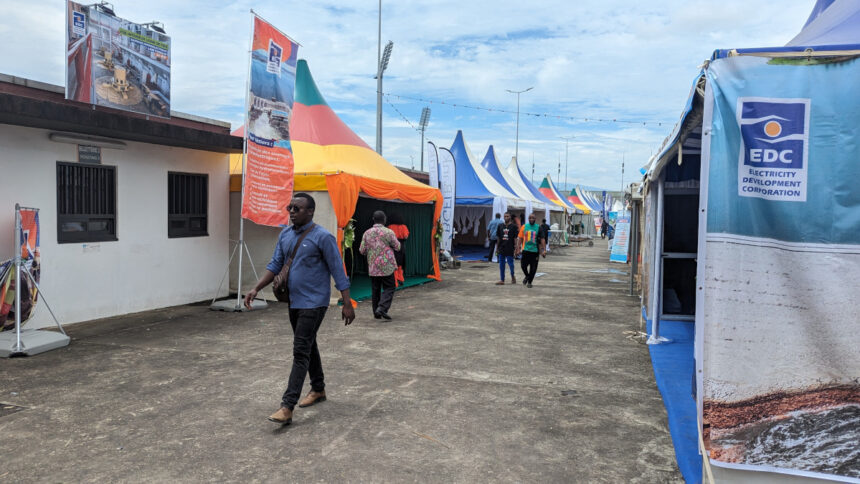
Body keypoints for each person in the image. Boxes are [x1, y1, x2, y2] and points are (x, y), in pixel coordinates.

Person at [244, 193, 355, 426]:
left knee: (300, 350)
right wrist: (255, 288)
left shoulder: (322, 237)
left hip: (315, 302)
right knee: (308, 343)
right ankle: (319, 388)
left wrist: (346, 302)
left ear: (310, 212)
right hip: (293, 301)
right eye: (290, 207)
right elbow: (275, 265)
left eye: (297, 208)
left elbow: (337, 269)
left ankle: (287, 406)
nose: (292, 211)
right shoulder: (285, 234)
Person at [359, 210, 401, 321]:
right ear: (384, 220)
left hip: (373, 266)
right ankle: (382, 308)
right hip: (387, 265)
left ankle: (376, 312)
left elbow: (362, 250)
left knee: (375, 289)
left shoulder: (367, 233)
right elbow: (397, 247)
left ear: (373, 219)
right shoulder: (389, 232)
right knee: (390, 287)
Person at [518, 213, 546, 288]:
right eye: (530, 218)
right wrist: (517, 248)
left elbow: (543, 239)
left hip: (535, 251)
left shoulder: (538, 228)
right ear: (528, 219)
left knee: (533, 268)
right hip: (525, 250)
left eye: (533, 218)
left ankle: (530, 282)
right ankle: (527, 276)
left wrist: (544, 250)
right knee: (523, 266)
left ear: (535, 219)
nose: (531, 219)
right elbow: (520, 238)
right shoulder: (524, 227)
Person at [494, 212, 518, 285]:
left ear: (510, 217)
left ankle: (512, 275)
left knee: (511, 264)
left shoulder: (513, 226)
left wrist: (516, 247)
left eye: (507, 216)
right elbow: (498, 237)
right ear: (503, 217)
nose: (506, 217)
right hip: (502, 247)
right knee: (501, 264)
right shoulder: (500, 226)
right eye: (505, 216)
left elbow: (515, 238)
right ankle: (502, 280)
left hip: (510, 248)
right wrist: (497, 247)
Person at [387, 213, 409, 287]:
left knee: (394, 264)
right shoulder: (404, 227)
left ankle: (395, 282)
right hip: (402, 247)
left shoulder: (390, 227)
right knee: (400, 264)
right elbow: (406, 237)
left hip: (393, 247)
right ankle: (401, 279)